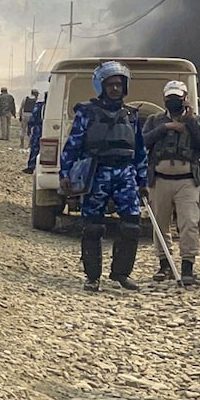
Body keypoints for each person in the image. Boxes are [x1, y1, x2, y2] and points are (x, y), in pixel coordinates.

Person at [59, 61, 147, 292]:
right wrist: (65, 173)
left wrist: (143, 179)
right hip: (96, 173)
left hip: (125, 174)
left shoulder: (131, 115)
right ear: (101, 86)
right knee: (92, 227)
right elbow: (73, 145)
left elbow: (139, 150)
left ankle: (121, 273)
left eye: (118, 84)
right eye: (110, 85)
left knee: (131, 226)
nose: (115, 88)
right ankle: (92, 277)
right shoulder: (86, 112)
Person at [143, 81, 200, 285]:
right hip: (160, 179)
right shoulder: (154, 120)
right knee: (160, 224)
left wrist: (190, 121)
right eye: (170, 98)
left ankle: (187, 267)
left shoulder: (198, 121)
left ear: (185, 99)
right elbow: (143, 142)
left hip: (188, 180)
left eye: (178, 98)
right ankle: (164, 264)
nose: (173, 102)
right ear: (164, 99)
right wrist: (165, 128)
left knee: (189, 223)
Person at [23, 92, 45, 174]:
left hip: (38, 129)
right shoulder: (56, 106)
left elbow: (32, 118)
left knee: (35, 148)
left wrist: (29, 128)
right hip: (50, 129)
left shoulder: (39, 106)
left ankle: (31, 167)